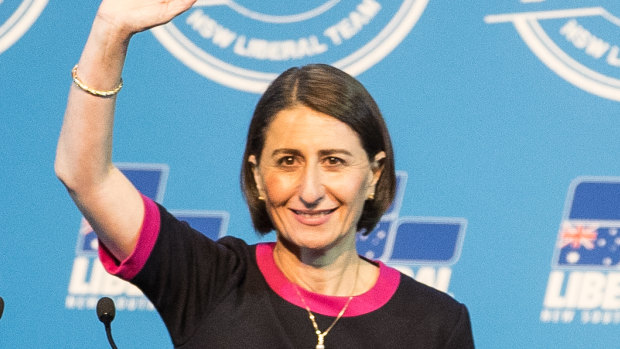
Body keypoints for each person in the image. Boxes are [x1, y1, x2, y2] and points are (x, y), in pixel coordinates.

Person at [55, 1, 475, 348]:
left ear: (374, 175)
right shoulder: (208, 280)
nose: (310, 191)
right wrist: (110, 30)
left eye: (334, 161)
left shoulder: (436, 324)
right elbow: (86, 177)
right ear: (257, 175)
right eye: (288, 161)